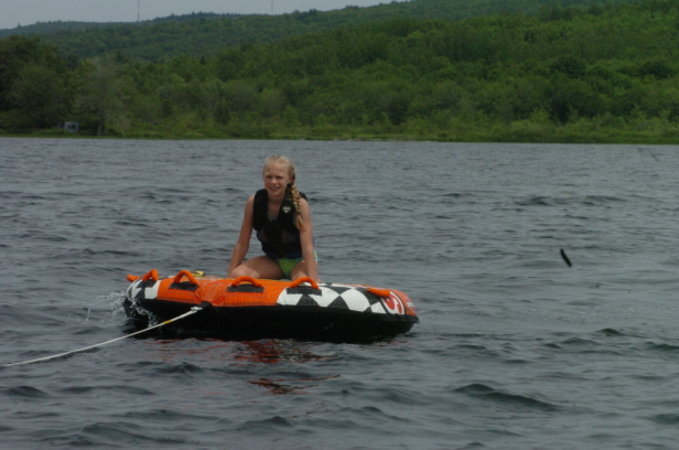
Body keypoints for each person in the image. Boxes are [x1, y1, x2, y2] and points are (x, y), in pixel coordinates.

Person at [227, 155, 319, 282]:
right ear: (263, 177)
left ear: (290, 179)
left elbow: (308, 248)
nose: (273, 182)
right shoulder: (253, 202)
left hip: (300, 261)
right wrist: (228, 280)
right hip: (272, 261)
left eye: (279, 177)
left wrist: (314, 281)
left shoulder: (300, 204)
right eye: (269, 177)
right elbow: (242, 243)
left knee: (303, 284)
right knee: (237, 276)